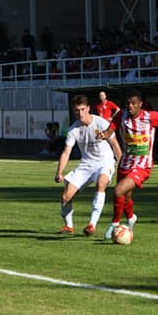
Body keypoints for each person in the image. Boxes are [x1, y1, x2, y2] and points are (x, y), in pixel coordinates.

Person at [98, 89, 158, 239]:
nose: (130, 106)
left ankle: (115, 223)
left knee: (118, 191)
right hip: (125, 163)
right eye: (128, 103)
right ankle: (130, 218)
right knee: (126, 198)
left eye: (133, 103)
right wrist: (103, 135)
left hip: (143, 165)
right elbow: (110, 131)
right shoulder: (121, 116)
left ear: (140, 104)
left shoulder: (150, 117)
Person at [53, 95, 122, 236]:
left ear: (89, 108)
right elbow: (66, 153)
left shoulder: (101, 123)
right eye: (77, 110)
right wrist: (59, 172)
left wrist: (121, 166)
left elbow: (115, 145)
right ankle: (69, 226)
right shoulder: (73, 129)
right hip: (86, 165)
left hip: (104, 162)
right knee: (66, 197)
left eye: (82, 109)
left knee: (101, 183)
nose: (80, 113)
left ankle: (92, 224)